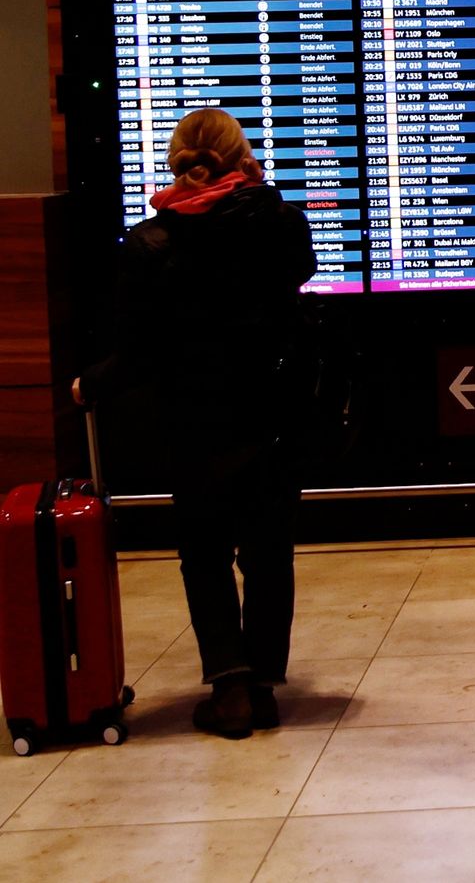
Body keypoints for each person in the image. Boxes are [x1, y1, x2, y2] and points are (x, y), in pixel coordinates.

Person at [74, 109, 315, 740]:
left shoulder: (150, 243)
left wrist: (88, 384)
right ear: (243, 158)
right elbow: (299, 273)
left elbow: (136, 354)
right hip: (272, 414)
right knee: (268, 553)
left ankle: (230, 688)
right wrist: (263, 195)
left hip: (192, 422)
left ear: (178, 160)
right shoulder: (280, 224)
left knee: (204, 554)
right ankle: (263, 686)